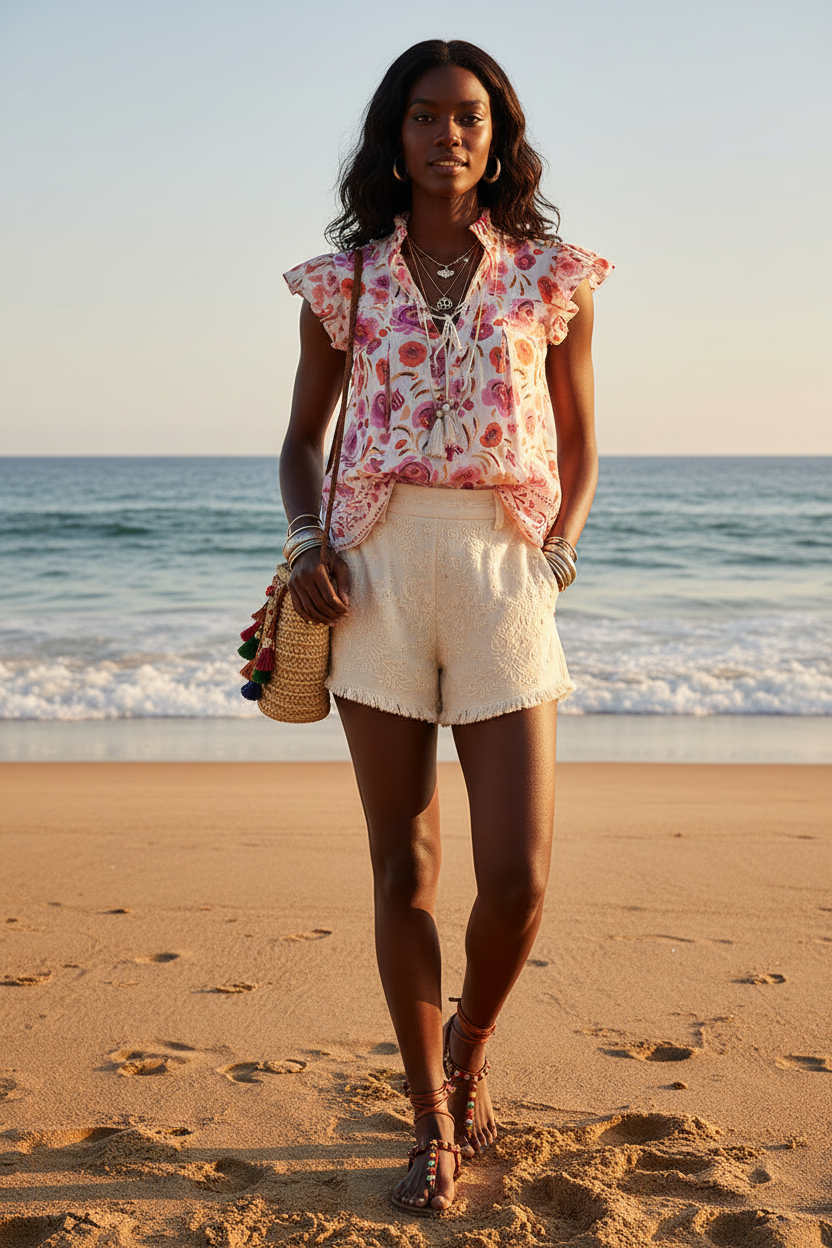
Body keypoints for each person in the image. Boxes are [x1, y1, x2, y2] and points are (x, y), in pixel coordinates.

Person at [278, 38, 612, 1217]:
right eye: (423, 117)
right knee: (401, 864)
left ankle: (470, 1045)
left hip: (502, 569)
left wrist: (557, 553)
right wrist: (312, 547)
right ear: (394, 136)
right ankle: (429, 1115)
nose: (447, 135)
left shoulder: (552, 277)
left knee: (517, 876)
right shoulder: (345, 281)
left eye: (468, 116)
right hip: (373, 571)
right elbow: (299, 444)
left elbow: (578, 441)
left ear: (497, 134)